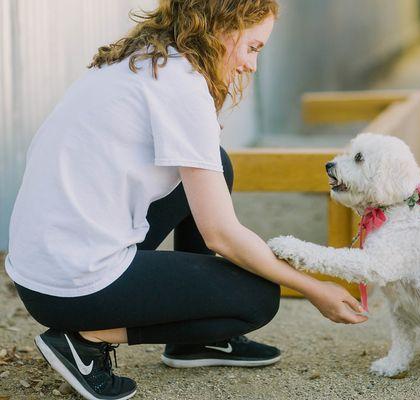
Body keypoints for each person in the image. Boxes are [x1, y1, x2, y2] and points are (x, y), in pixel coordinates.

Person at [4, 1, 368, 399]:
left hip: (43, 268)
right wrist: (314, 288)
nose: (252, 65)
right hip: (72, 287)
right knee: (257, 299)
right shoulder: (181, 83)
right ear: (221, 27)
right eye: (253, 47)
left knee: (216, 165)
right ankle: (87, 340)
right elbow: (222, 236)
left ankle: (196, 342)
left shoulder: (146, 60)